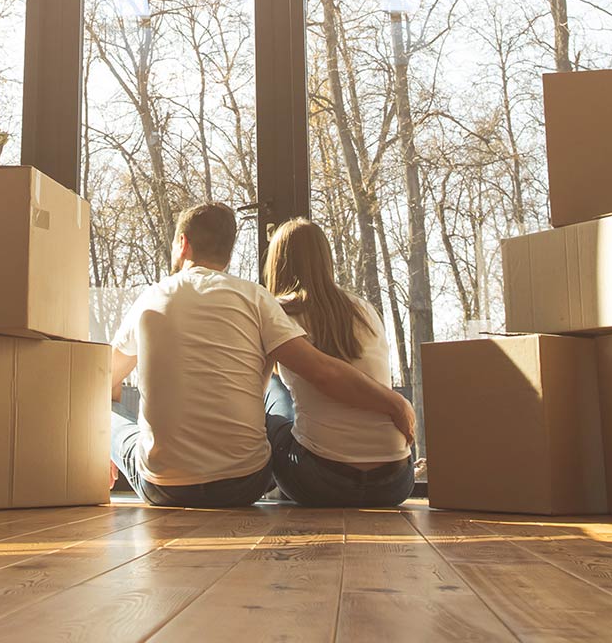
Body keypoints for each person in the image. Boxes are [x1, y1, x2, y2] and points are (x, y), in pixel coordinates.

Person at [109, 202, 416, 507]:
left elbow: (103, 378)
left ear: (182, 243)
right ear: (229, 255)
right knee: (274, 380)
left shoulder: (150, 298)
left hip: (169, 487)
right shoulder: (267, 298)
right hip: (248, 484)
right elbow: (321, 369)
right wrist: (395, 402)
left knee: (107, 410)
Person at [262, 218, 416, 507]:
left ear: (277, 262)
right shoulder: (364, 309)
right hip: (395, 482)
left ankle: (264, 488)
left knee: (270, 388)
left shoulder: (278, 312)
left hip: (322, 481)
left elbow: (326, 375)